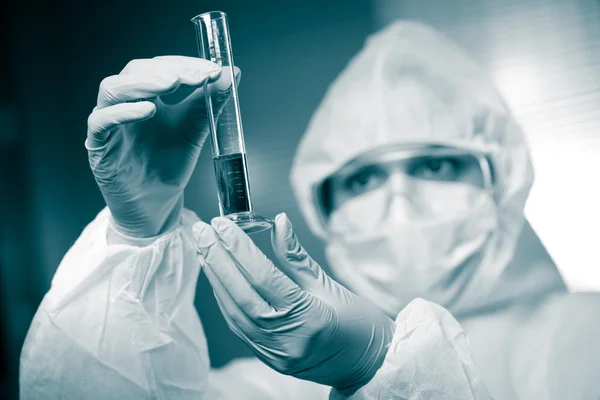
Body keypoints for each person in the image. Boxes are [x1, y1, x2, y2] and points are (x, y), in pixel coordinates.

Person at [19, 20, 600, 400]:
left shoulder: (587, 338)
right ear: (324, 207)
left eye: (435, 165)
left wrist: (379, 362)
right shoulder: (273, 388)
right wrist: (136, 244)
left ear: (502, 181)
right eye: (365, 175)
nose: (400, 199)